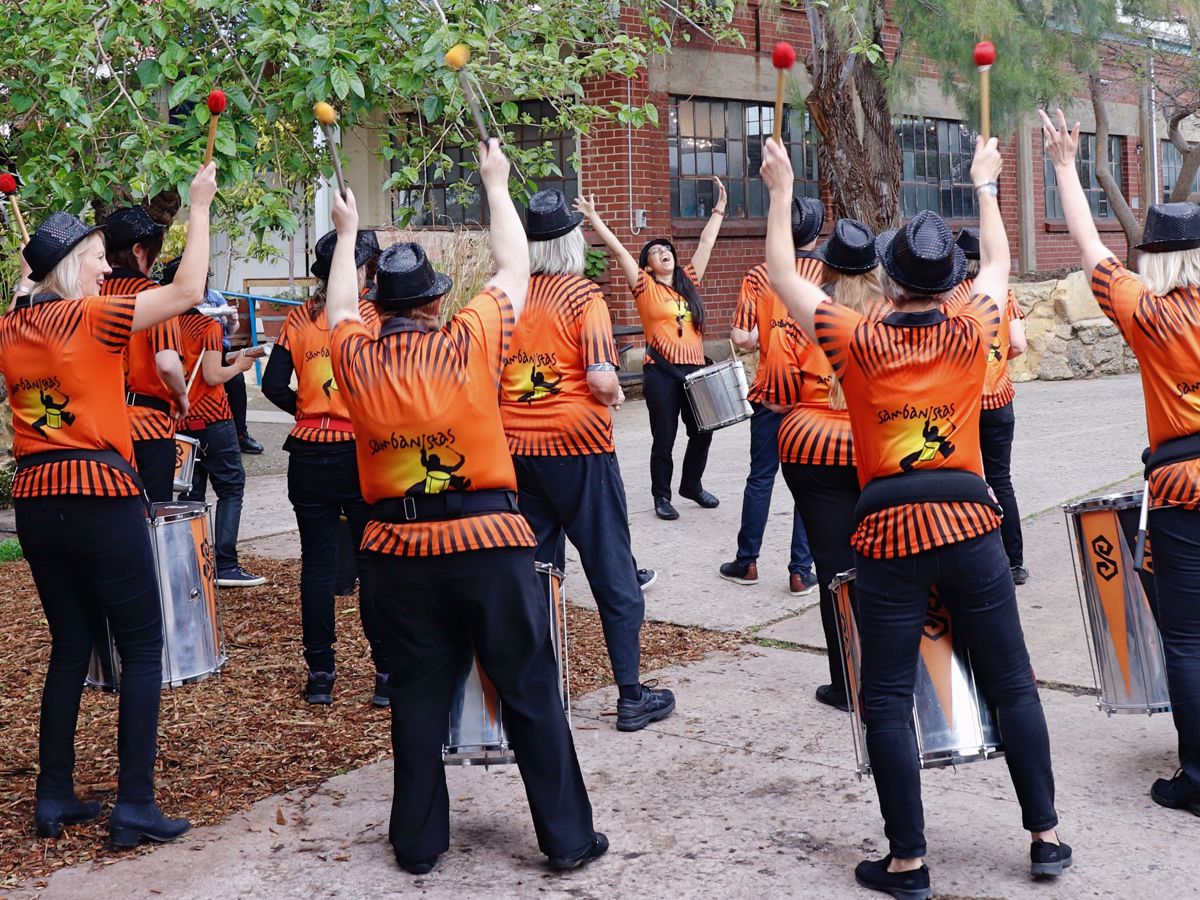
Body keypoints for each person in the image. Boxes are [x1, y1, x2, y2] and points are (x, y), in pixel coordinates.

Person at [759, 134, 1069, 897]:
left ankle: (908, 862)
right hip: (970, 526)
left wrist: (779, 190)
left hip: (890, 534)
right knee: (1014, 684)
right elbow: (997, 262)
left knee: (887, 698)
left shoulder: (853, 338)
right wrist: (987, 185)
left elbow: (778, 273)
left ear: (888, 284)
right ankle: (1047, 837)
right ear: (948, 285)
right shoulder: (972, 332)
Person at [327, 142, 604, 874]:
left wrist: (347, 234)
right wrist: (496, 184)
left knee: (416, 702)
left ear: (376, 306)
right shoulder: (470, 340)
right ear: (435, 302)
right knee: (531, 693)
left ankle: (418, 846)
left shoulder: (354, 356)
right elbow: (515, 266)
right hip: (490, 544)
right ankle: (568, 841)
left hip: (396, 554)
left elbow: (332, 308)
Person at [1, 163, 217, 847]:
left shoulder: (9, 328)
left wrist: (24, 296)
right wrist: (201, 206)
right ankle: (134, 805)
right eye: (96, 261)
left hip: (37, 499)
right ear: (70, 267)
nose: (104, 272)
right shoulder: (94, 318)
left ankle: (53, 795)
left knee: (70, 647)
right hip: (99, 490)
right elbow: (186, 290)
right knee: (143, 646)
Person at [1041, 107, 1200, 818]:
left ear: (1157, 258)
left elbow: (1086, 246)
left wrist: (1066, 166)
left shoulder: (1147, 311)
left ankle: (1196, 775)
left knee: (1189, 638)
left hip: (1180, 487)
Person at [499, 188, 675, 732]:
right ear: (573, 242)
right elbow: (601, 377)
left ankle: (539, 693)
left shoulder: (505, 298)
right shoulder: (584, 297)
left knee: (535, 571)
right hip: (579, 451)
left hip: (517, 450)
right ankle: (630, 693)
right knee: (612, 569)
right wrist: (614, 394)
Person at [261, 227, 391, 707]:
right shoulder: (372, 317)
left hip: (308, 453)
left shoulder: (299, 317)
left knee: (316, 566)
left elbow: (274, 382)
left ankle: (320, 675)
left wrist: (306, 409)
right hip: (359, 452)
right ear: (358, 271)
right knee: (375, 564)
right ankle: (386, 674)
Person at [777, 218, 883, 713]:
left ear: (827, 265)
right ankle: (889, 674)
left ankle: (846, 682)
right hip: (872, 447)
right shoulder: (891, 312)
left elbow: (777, 391)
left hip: (810, 449)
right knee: (881, 563)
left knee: (834, 568)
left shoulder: (810, 314)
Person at [575, 182, 726, 520]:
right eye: (656, 251)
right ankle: (662, 496)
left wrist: (718, 209)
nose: (663, 251)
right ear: (647, 266)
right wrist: (594, 217)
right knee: (664, 437)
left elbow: (706, 242)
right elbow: (617, 249)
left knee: (704, 430)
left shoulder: (689, 280)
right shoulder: (644, 286)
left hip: (695, 370)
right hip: (661, 370)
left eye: (666, 248)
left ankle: (691, 484)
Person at [719, 197, 823, 596]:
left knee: (760, 477)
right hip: (813, 396)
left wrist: (771, 334)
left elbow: (741, 338)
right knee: (808, 485)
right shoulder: (830, 274)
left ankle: (747, 562)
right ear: (816, 233)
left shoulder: (761, 274)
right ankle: (801, 570)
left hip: (771, 391)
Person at [173, 268, 265, 587]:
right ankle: (225, 563)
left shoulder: (163, 326)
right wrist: (239, 366)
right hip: (213, 418)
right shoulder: (207, 324)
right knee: (230, 487)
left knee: (192, 493)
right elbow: (213, 376)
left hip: (181, 422)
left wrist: (235, 356)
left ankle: (192, 564)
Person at [947, 227, 1029, 584]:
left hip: (963, 405)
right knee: (1002, 480)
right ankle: (1014, 562)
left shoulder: (950, 300)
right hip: (1000, 399)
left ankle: (974, 560)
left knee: (968, 480)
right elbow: (1020, 345)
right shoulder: (1003, 294)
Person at [98, 205, 188, 502]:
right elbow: (166, 363)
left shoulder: (88, 297)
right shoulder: (155, 295)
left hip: (98, 427)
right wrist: (181, 397)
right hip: (148, 427)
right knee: (152, 519)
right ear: (138, 250)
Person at [193, 278, 263, 455]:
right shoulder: (181, 298)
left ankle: (240, 434)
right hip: (190, 352)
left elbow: (231, 330)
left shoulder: (215, 297)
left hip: (218, 350)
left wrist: (232, 322)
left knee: (237, 381)